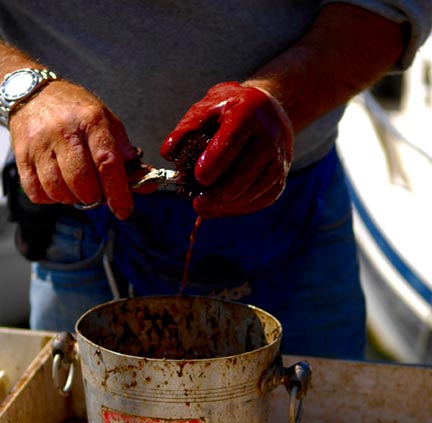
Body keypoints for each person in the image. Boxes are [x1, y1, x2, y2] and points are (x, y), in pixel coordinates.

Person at [0, 2, 430, 358]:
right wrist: (24, 92)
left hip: (295, 214)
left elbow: (391, 7)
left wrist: (282, 99)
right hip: (80, 223)